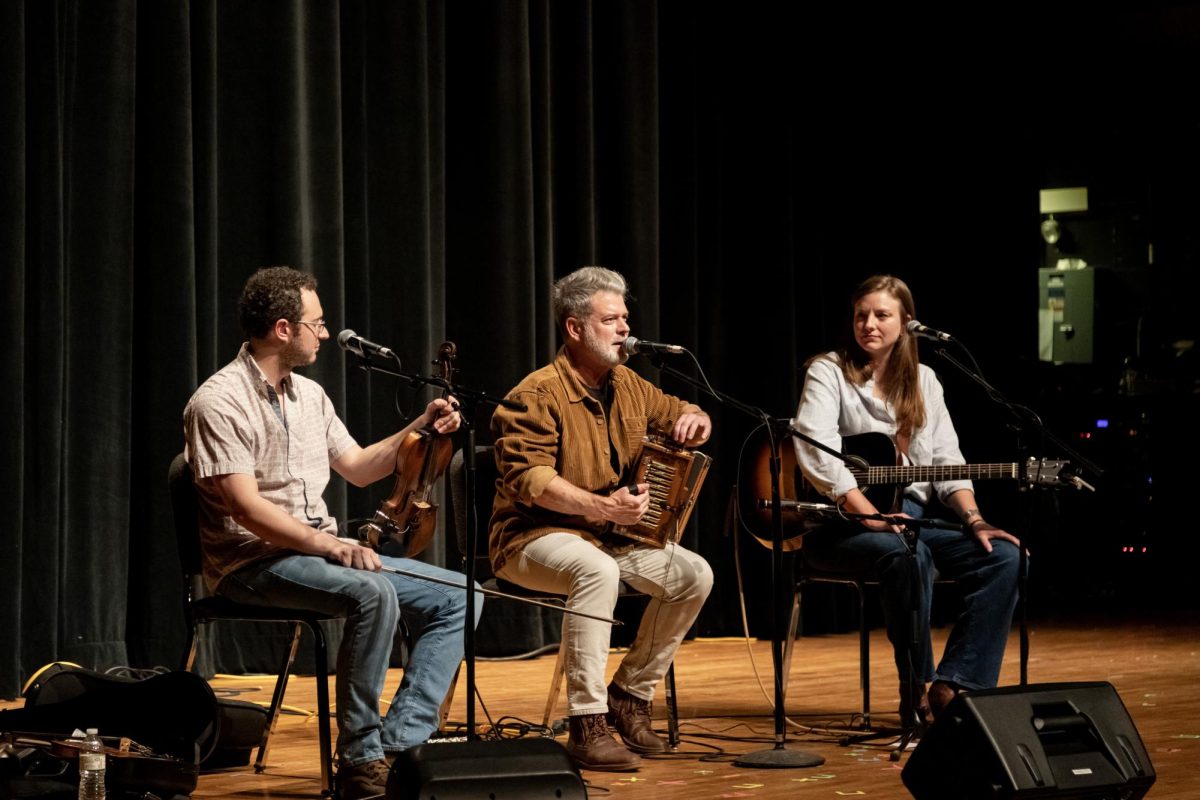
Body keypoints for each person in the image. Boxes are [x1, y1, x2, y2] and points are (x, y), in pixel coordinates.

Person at [183, 266, 480, 800]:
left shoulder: (311, 396)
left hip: (316, 553)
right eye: (315, 324)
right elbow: (247, 510)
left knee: (464, 596)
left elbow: (363, 467)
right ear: (282, 329)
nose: (324, 333)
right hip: (251, 565)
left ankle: (398, 745)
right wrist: (330, 544)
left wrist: (421, 425)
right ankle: (359, 759)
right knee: (372, 590)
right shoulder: (218, 401)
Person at [489, 266, 714, 771]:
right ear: (575, 329)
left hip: (608, 539)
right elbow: (530, 480)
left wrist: (697, 416)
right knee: (597, 570)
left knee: (692, 574)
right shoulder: (534, 395)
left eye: (625, 318)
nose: (624, 330)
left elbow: (681, 408)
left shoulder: (630, 385)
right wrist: (602, 506)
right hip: (530, 539)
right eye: (611, 320)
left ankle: (630, 695)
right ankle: (586, 723)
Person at [791, 274, 1020, 725]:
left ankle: (956, 685)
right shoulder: (828, 370)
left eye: (881, 315)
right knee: (906, 554)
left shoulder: (924, 381)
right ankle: (916, 687)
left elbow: (946, 460)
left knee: (1006, 558)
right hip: (839, 525)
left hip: (909, 520)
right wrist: (869, 513)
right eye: (861, 315)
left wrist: (974, 519)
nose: (869, 324)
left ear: (907, 323)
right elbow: (813, 448)